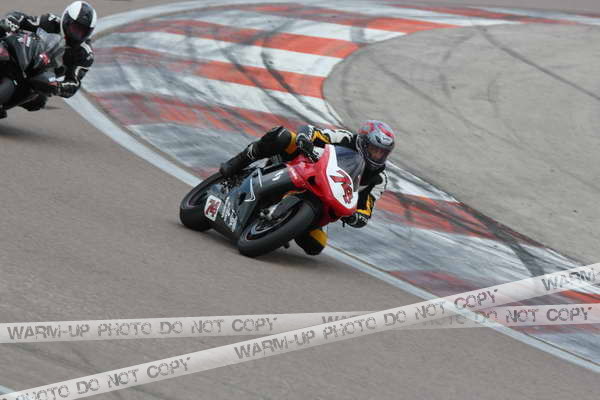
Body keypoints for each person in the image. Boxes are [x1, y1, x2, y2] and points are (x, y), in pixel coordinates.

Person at [220, 121, 395, 256]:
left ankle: (281, 226)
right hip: (306, 167)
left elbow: (366, 210)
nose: (377, 155)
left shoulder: (379, 179)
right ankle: (237, 162)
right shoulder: (346, 138)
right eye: (374, 149)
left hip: (326, 200)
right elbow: (312, 131)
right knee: (283, 136)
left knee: (315, 246)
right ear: (363, 142)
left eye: (383, 153)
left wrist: (355, 217)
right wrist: (304, 139)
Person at [0, 1, 96, 118]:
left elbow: (74, 83)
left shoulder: (85, 54)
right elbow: (24, 19)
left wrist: (58, 87)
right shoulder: (51, 21)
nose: (77, 34)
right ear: (66, 20)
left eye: (82, 32)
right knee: (2, 33)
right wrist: (13, 20)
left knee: (38, 101)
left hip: (42, 74)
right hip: (27, 52)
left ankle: (4, 105)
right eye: (75, 28)